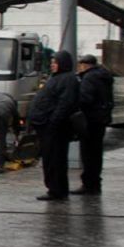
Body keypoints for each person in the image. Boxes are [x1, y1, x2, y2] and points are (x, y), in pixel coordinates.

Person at [27, 50, 80, 201]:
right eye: (52, 62)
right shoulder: (57, 78)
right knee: (51, 159)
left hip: (55, 129)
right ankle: (55, 188)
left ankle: (57, 190)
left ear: (62, 64)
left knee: (55, 160)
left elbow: (65, 104)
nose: (52, 65)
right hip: (48, 127)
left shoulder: (68, 80)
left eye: (55, 62)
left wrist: (53, 122)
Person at [74, 54, 114, 195]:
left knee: (88, 153)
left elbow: (85, 99)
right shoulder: (104, 76)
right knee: (96, 153)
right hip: (101, 119)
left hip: (90, 120)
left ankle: (89, 184)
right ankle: (95, 183)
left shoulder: (89, 78)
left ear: (85, 65)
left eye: (80, 65)